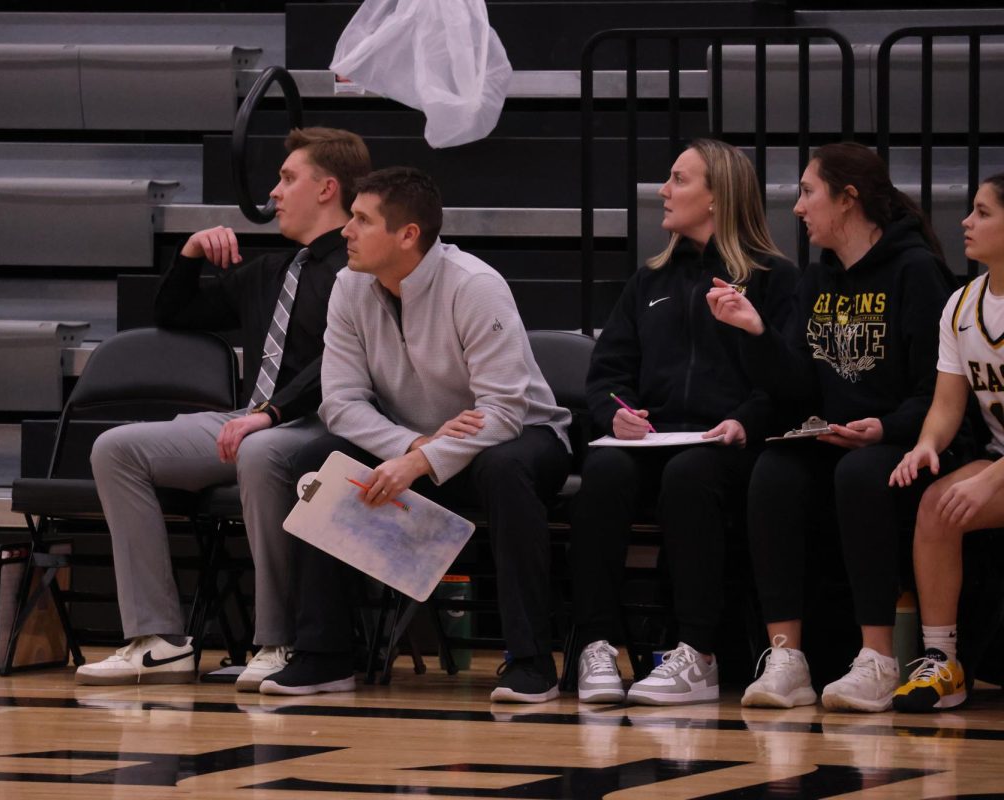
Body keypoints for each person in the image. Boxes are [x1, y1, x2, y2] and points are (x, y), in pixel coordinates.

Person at [257, 166, 573, 703]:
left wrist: (422, 462)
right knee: (320, 459)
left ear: (408, 235)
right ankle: (326, 655)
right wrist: (409, 446)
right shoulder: (349, 286)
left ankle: (531, 662)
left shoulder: (475, 286)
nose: (346, 232)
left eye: (361, 219)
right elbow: (340, 401)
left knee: (505, 467)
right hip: (413, 442)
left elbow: (503, 412)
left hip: (521, 438)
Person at [75, 127, 372, 687]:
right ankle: (158, 638)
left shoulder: (357, 273)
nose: (274, 192)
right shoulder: (269, 272)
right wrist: (188, 254)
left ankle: (281, 640)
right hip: (250, 418)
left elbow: (341, 360)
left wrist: (272, 412)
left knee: (262, 450)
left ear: (328, 188)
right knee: (116, 448)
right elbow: (176, 313)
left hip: (326, 423)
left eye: (287, 178)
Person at [708, 142, 955, 712]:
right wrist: (755, 331)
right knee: (774, 470)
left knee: (860, 472)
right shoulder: (818, 280)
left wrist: (886, 427)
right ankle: (786, 657)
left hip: (905, 444)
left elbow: (939, 390)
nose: (797, 207)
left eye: (808, 191)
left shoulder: (916, 271)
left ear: (848, 199)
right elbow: (797, 386)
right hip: (837, 437)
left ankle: (878, 658)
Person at [572, 139, 797, 706]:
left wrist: (745, 420)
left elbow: (791, 381)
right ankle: (597, 644)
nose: (663, 191)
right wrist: (617, 414)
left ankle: (697, 652)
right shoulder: (649, 281)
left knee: (691, 474)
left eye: (678, 179)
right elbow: (607, 375)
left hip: (735, 446)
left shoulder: (774, 279)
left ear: (718, 197)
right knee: (604, 471)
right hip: (655, 439)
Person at [888, 173, 1004, 712]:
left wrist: (990, 480)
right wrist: (926, 445)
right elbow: (947, 404)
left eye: (982, 212)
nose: (966, 221)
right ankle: (943, 662)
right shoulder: (961, 305)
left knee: (967, 494)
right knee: (937, 506)